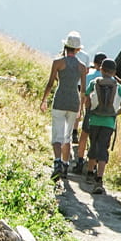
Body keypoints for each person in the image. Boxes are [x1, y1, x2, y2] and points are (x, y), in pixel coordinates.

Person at [40, 33, 88, 180]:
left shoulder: (58, 62)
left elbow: (50, 83)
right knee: (67, 136)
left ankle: (57, 163)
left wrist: (44, 100)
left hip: (60, 99)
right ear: (78, 50)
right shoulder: (82, 67)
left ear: (65, 46)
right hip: (73, 102)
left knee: (57, 135)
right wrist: (81, 109)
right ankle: (66, 165)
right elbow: (83, 91)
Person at [81, 57, 121, 195]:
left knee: (93, 144)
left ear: (101, 69)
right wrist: (114, 114)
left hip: (94, 120)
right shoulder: (118, 87)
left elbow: (87, 99)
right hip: (109, 123)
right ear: (114, 72)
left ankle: (89, 173)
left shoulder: (95, 83)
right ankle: (99, 178)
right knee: (103, 148)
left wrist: (89, 111)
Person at [74, 52, 108, 172]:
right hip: (106, 117)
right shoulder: (112, 80)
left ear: (94, 63)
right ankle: (94, 167)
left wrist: (81, 109)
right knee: (98, 141)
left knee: (84, 136)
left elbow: (84, 95)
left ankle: (79, 161)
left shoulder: (90, 77)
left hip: (91, 112)